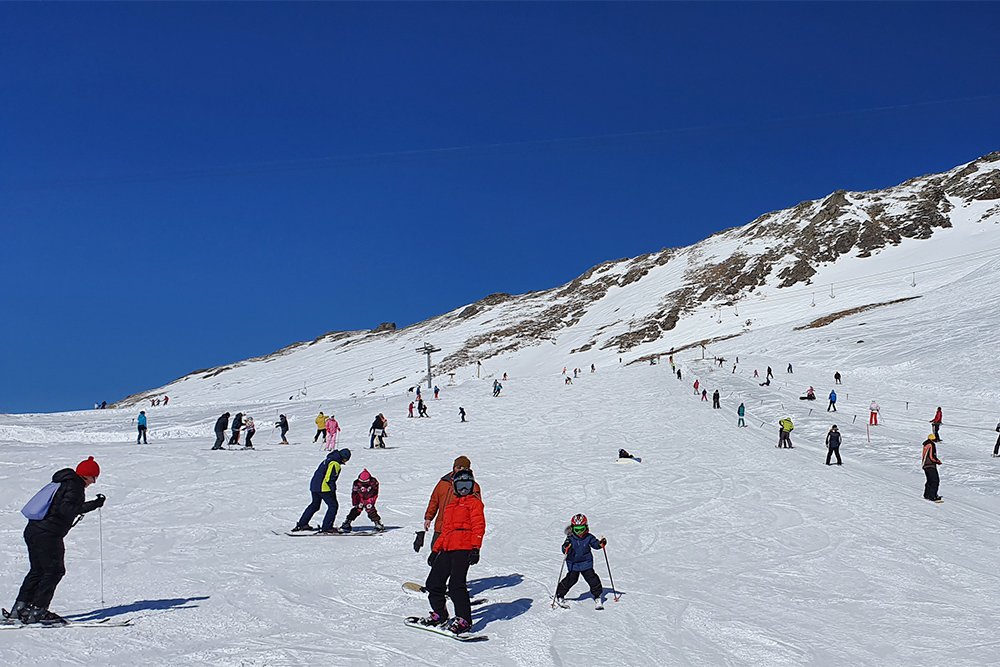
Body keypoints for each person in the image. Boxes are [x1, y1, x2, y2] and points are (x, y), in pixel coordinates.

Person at [6, 457, 106, 625]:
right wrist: (94, 504)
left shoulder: (64, 482)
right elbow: (67, 509)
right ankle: (38, 612)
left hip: (34, 530)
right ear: (87, 476)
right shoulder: (75, 486)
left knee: (38, 570)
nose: (93, 482)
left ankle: (20, 609)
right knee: (54, 571)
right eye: (93, 478)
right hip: (48, 534)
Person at [414, 469, 485, 635]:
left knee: (456, 585)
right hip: (447, 548)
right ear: (454, 487)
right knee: (433, 583)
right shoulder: (451, 506)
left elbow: (479, 526)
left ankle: (464, 620)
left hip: (464, 548)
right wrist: (436, 550)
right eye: (461, 486)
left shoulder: (475, 503)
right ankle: (440, 614)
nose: (464, 490)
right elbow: (445, 531)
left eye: (467, 486)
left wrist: (476, 548)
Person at [421, 456, 482, 550]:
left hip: (458, 531)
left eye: (464, 468)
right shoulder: (443, 482)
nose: (460, 469)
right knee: (435, 554)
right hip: (440, 527)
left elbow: (476, 510)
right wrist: (429, 517)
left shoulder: (471, 486)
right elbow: (434, 500)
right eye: (458, 467)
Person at [554, 514, 606, 610]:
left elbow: (595, 544)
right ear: (572, 528)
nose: (579, 532)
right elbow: (564, 547)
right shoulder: (570, 538)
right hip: (573, 563)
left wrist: (600, 544)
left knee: (592, 578)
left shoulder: (589, 537)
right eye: (577, 530)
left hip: (586, 562)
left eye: (581, 529)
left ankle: (597, 596)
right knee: (571, 579)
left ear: (586, 527)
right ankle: (559, 594)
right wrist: (566, 548)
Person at [293, 448, 351, 532]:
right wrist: (332, 489)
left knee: (315, 505)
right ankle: (327, 527)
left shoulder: (329, 459)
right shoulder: (335, 463)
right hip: (324, 487)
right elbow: (329, 478)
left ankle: (302, 524)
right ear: (344, 458)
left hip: (314, 485)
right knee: (333, 506)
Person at [922, 434, 942, 501]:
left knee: (929, 480)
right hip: (930, 465)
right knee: (935, 481)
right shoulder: (931, 444)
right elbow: (931, 456)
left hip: (925, 465)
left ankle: (927, 494)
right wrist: (937, 461)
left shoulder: (926, 444)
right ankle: (932, 496)